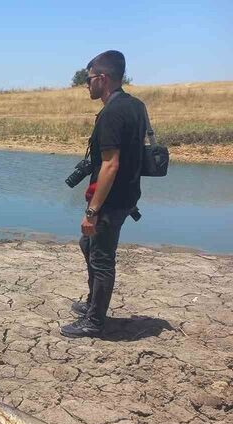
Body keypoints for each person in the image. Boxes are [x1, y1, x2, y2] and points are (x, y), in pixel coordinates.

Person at [61, 50, 148, 338]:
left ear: (103, 78)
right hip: (126, 195)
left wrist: (92, 211)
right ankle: (91, 305)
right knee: (89, 246)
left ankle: (95, 322)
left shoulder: (112, 112)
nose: (86, 85)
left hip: (110, 200)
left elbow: (111, 164)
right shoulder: (135, 105)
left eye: (88, 79)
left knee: (101, 257)